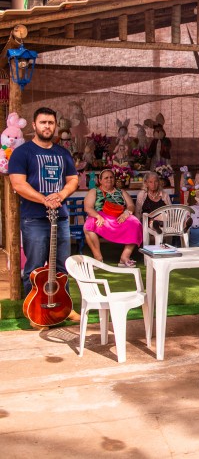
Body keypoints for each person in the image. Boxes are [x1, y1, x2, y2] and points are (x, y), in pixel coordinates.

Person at [9, 107, 81, 324]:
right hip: (34, 219)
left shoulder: (63, 154)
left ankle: (64, 307)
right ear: (34, 125)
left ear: (55, 125)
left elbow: (73, 180)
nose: (47, 126)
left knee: (62, 266)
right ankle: (35, 310)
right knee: (35, 266)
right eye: (43, 122)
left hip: (60, 218)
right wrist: (44, 199)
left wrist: (60, 195)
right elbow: (18, 183)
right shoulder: (22, 153)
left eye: (51, 123)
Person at [83, 169, 143, 267]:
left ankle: (125, 257)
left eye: (111, 177)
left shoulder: (121, 191)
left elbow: (131, 206)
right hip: (101, 217)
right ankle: (98, 258)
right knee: (88, 225)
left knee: (135, 223)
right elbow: (88, 208)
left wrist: (126, 213)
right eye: (106, 178)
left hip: (120, 217)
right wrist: (98, 216)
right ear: (100, 180)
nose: (109, 180)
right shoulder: (94, 191)